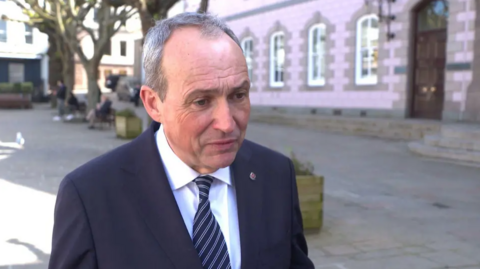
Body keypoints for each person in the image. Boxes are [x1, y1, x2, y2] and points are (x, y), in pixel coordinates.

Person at [49, 13, 314, 269]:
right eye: (201, 101)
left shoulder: (276, 175)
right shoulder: (89, 196)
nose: (227, 123)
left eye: (238, 95)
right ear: (153, 104)